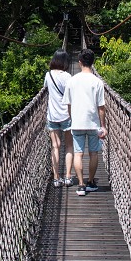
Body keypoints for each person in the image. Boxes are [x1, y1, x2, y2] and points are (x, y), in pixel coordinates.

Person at [65, 48, 107, 196]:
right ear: (92, 62)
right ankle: (90, 183)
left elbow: (68, 105)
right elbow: (101, 107)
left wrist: (73, 118)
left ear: (80, 62)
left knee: (78, 154)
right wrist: (103, 126)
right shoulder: (98, 82)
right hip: (93, 124)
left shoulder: (71, 81)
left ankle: (81, 185)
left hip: (77, 124)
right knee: (94, 153)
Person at [43, 50, 75, 187]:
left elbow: (45, 88)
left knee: (55, 147)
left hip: (53, 115)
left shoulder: (48, 75)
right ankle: (68, 176)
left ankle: (56, 178)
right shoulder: (68, 76)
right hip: (67, 115)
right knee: (69, 146)